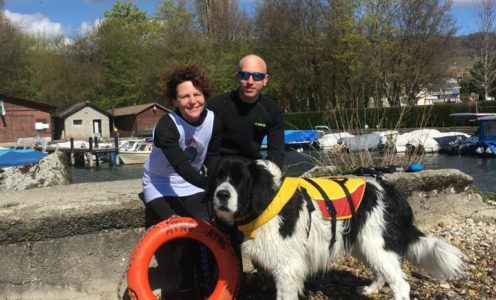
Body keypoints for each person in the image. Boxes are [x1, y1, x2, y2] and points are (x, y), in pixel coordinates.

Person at [142, 64, 221, 299]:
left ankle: (212, 286)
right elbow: (182, 168)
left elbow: (214, 157)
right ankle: (185, 290)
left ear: (204, 95)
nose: (192, 101)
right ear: (175, 101)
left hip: (192, 183)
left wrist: (216, 179)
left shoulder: (214, 120)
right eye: (185, 96)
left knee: (208, 230)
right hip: (160, 183)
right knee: (180, 235)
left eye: (197, 94)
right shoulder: (167, 126)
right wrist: (212, 186)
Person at [207, 54, 285, 169]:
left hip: (251, 170)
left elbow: (276, 153)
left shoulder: (273, 111)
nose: (250, 81)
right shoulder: (216, 106)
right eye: (244, 75)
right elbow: (207, 149)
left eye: (257, 76)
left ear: (265, 80)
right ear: (237, 77)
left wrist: (268, 177)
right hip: (219, 168)